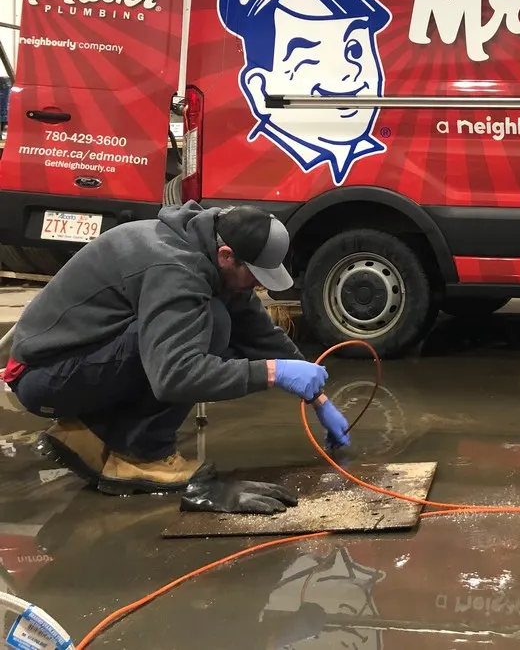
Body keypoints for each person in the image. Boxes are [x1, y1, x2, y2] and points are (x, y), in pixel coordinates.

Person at [1, 201, 351, 495]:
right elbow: (176, 376)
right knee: (211, 329)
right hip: (46, 377)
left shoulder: (209, 249)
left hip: (76, 358)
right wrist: (274, 373)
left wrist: (317, 396)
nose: (260, 284)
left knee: (220, 324)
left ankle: (91, 434)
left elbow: (258, 334)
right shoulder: (175, 268)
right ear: (227, 256)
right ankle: (141, 456)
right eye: (257, 274)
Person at [217, 0, 393, 188]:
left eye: (355, 49)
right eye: (310, 54)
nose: (349, 71)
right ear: (260, 88)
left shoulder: (373, 152)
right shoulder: (260, 164)